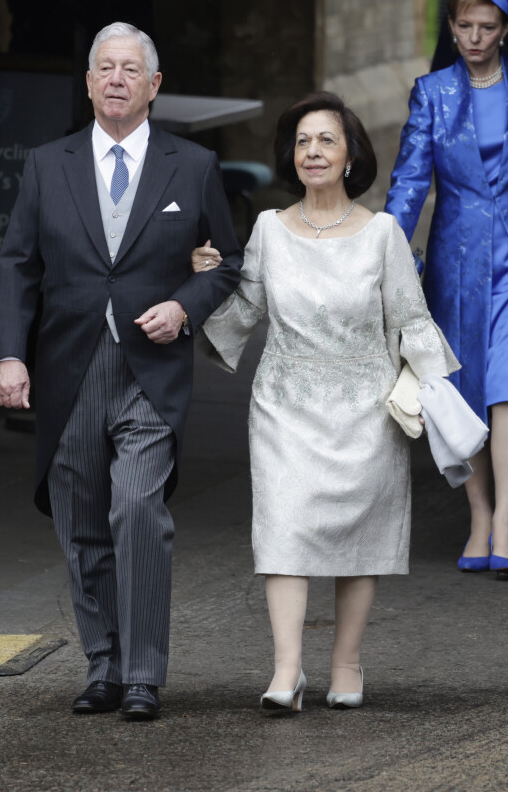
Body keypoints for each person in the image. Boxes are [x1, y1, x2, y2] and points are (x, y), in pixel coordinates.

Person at [0, 22, 243, 719]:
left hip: (150, 371)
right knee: (82, 526)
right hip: (69, 368)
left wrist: (184, 306)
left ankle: (143, 674)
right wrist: (10, 353)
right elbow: (18, 265)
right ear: (89, 82)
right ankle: (102, 666)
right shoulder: (48, 163)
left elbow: (228, 261)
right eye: (105, 68)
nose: (117, 79)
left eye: (131, 69)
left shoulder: (190, 166)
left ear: (154, 85)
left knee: (137, 508)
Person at [191, 91, 458, 710]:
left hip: (367, 409)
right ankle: (286, 671)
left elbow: (411, 320)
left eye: (327, 140)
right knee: (283, 529)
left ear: (351, 156)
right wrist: (202, 286)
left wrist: (432, 395)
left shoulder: (384, 233)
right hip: (285, 405)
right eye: (303, 141)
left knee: (358, 536)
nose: (312, 151)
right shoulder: (266, 230)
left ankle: (348, 663)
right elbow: (242, 315)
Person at [385, 0, 508, 579]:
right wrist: (383, 249)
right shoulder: (431, 92)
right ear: (452, 26)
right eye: (464, 26)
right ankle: (480, 515)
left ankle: (507, 522)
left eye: (487, 27)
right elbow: (412, 181)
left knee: (506, 387)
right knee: (463, 392)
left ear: (506, 30)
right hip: (459, 259)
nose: (474, 38)